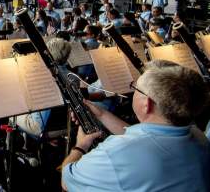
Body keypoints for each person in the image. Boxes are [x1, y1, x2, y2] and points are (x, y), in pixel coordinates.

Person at [61, 60, 209, 191]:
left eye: (136, 88)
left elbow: (67, 181)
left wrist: (79, 147)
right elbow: (140, 138)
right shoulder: (197, 134)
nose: (133, 90)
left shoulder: (115, 153)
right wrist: (101, 114)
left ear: (147, 104)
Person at [15, 38, 70, 137]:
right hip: (67, 126)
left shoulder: (42, 77)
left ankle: (20, 147)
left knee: (11, 114)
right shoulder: (72, 76)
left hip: (40, 128)